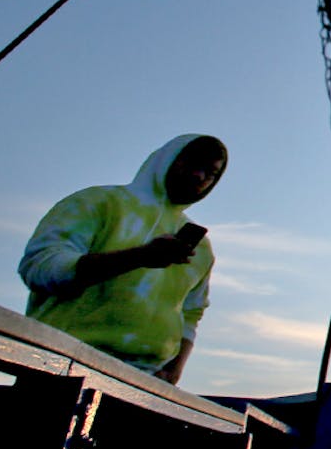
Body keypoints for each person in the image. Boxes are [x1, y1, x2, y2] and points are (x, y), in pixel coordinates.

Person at [18, 134, 227, 385]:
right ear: (167, 158)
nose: (199, 176)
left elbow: (191, 313)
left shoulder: (201, 249)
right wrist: (139, 257)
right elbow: (40, 268)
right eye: (192, 163)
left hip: (144, 382)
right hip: (58, 363)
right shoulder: (97, 203)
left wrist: (174, 370)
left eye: (210, 173)